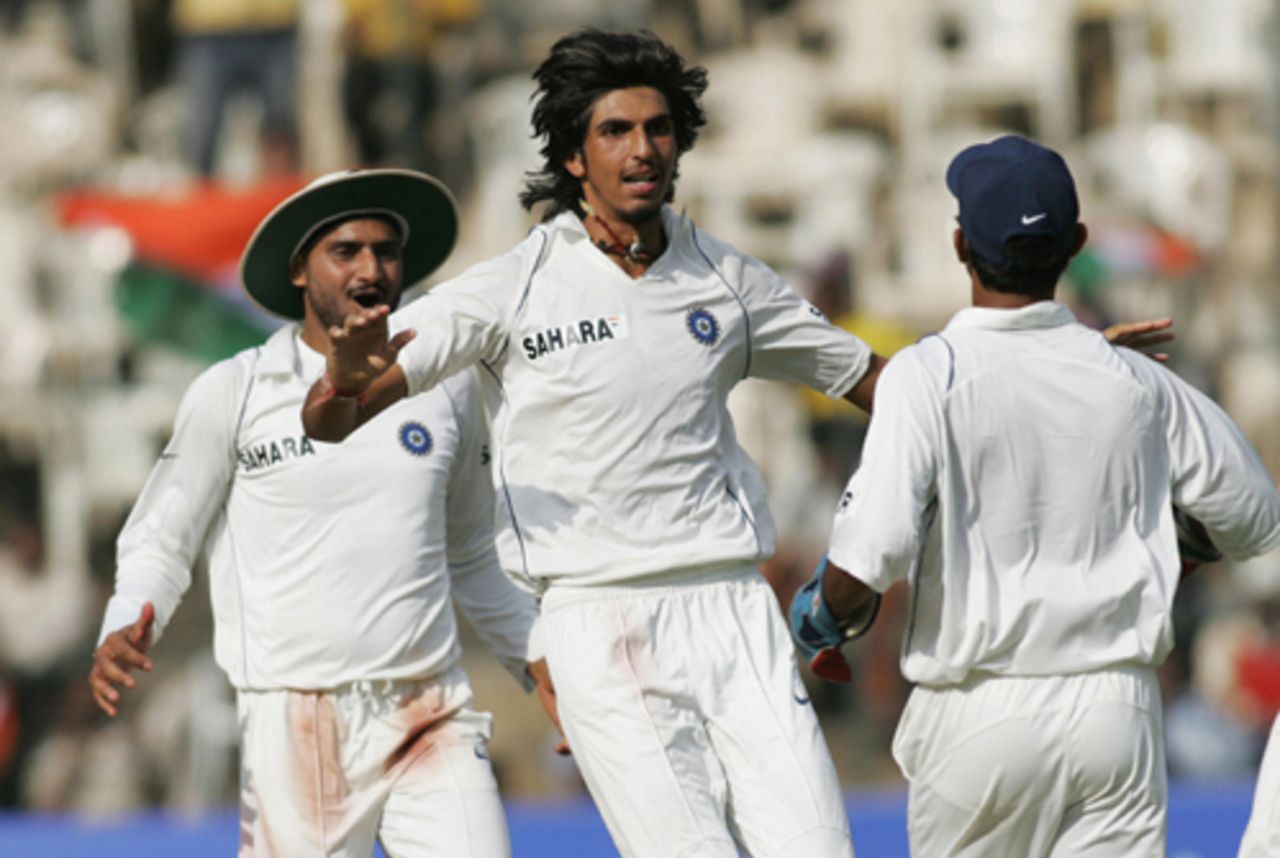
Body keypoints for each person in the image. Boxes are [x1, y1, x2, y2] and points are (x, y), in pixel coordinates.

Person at [300, 32, 1173, 857]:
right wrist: (340, 378)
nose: (641, 149)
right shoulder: (506, 289)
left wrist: (1049, 359)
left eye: (657, 128)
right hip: (602, 620)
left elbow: (895, 387)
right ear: (574, 157)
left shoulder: (728, 279)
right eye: (615, 132)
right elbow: (333, 420)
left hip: (735, 612)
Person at [789, 135, 1280, 857]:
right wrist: (1171, 540)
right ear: (1076, 243)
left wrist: (820, 619)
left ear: (960, 244)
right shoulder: (1138, 381)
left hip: (982, 714)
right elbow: (1254, 518)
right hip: (1118, 712)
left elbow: (872, 555)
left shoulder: (929, 375)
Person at [89, 169, 558, 857]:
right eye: (346, 251)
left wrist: (540, 662)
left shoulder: (448, 388)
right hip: (295, 721)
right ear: (300, 272)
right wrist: (127, 617)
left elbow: (474, 552)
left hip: (429, 711)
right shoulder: (235, 390)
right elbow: (162, 537)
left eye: (386, 251)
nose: (371, 268)